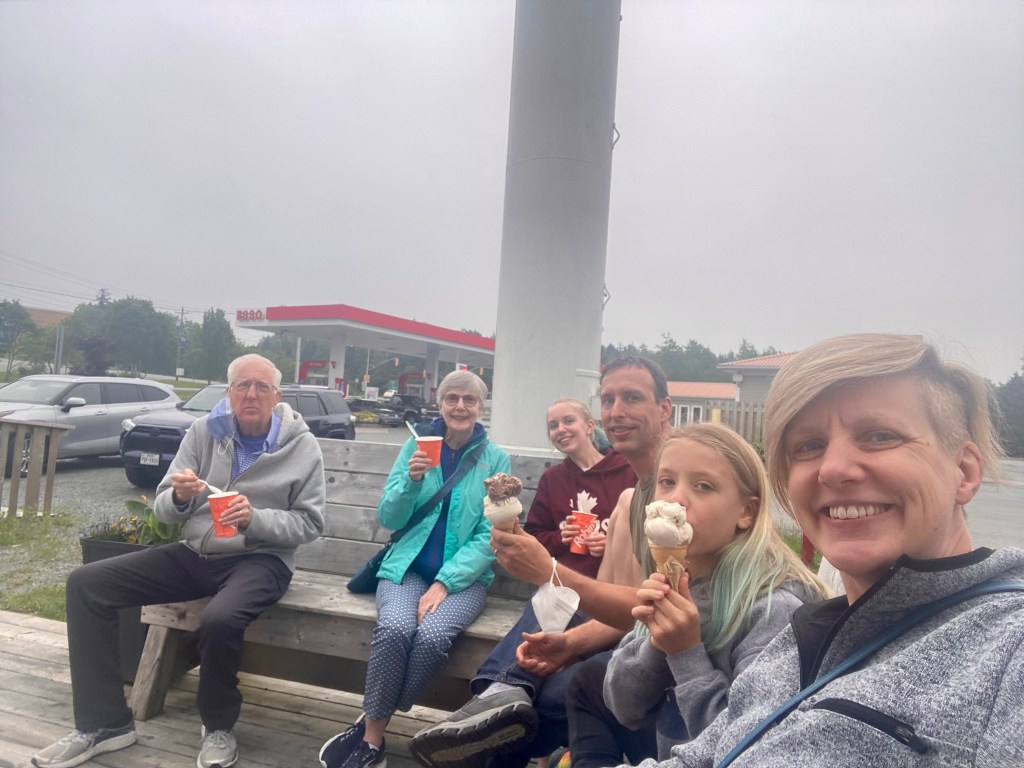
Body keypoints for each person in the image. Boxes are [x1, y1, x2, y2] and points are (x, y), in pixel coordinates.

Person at [623, 333, 1024, 768]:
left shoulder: (1007, 648)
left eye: (880, 435)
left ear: (963, 472)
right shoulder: (793, 644)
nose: (832, 469)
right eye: (809, 446)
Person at [31, 353, 326, 768]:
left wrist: (254, 519)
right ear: (229, 392)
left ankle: (218, 726)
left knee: (220, 618)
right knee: (87, 584)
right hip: (195, 553)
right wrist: (182, 497)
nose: (251, 394)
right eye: (242, 385)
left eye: (262, 387)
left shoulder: (301, 445)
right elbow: (163, 508)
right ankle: (106, 724)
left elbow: (310, 524)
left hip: (261, 559)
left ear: (277, 396)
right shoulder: (205, 431)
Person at [410, 357, 671, 768]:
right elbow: (614, 599)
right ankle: (496, 700)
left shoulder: (648, 490)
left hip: (637, 635)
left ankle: (494, 705)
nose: (617, 410)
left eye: (632, 398)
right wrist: (553, 553)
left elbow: (642, 610)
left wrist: (552, 571)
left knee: (541, 700)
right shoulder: (583, 486)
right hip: (586, 601)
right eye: (608, 399)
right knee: (533, 680)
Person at [572, 423, 829, 768]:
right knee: (587, 679)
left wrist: (685, 653)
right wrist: (657, 644)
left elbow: (746, 747)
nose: (675, 499)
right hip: (668, 748)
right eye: (666, 481)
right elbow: (624, 707)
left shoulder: (774, 611)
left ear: (746, 512)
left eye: (703, 486)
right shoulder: (678, 579)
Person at [319, 370, 511, 768]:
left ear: (481, 407)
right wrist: (411, 479)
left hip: (465, 579)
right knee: (394, 628)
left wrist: (445, 582)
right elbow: (389, 517)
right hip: (406, 567)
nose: (460, 406)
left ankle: (374, 717)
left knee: (432, 636)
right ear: (439, 405)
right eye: (452, 398)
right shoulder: (416, 446)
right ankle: (373, 740)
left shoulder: (494, 459)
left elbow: (490, 533)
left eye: (470, 399)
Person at [524, 397, 638, 578]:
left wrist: (612, 546)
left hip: (614, 581)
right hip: (563, 580)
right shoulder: (552, 479)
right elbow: (533, 538)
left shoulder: (628, 471)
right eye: (553, 426)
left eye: (569, 421)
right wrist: (560, 538)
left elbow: (645, 534)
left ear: (589, 427)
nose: (561, 429)